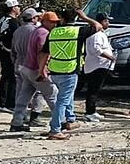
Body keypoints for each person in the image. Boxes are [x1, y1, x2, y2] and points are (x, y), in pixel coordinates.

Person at [40, 9, 102, 137]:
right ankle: (55, 129)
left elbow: (45, 53)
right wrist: (84, 17)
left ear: (62, 19)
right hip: (70, 70)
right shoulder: (78, 31)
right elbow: (98, 26)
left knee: (67, 96)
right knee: (62, 100)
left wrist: (42, 69)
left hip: (55, 70)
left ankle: (70, 120)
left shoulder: (53, 33)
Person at [9, 10, 59, 135]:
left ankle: (17, 122)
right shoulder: (43, 33)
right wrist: (43, 71)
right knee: (53, 96)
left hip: (25, 66)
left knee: (23, 97)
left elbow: (13, 49)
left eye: (56, 22)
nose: (55, 25)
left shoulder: (23, 30)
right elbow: (43, 53)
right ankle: (61, 122)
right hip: (36, 69)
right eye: (52, 22)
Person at [11, 7, 45, 127]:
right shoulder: (36, 31)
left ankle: (21, 116)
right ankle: (35, 117)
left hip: (19, 63)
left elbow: (13, 50)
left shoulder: (18, 31)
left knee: (21, 92)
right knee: (39, 91)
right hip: (32, 64)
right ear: (33, 18)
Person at [83, 12, 115, 122]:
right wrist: (110, 57)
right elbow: (96, 50)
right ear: (100, 22)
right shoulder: (96, 34)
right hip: (96, 66)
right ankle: (89, 112)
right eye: (106, 21)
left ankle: (93, 111)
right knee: (93, 90)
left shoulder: (101, 34)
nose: (108, 23)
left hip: (100, 66)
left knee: (95, 90)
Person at [0, 0, 21, 110]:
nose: (19, 8)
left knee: (5, 76)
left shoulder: (2, 19)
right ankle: (10, 103)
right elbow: (16, 38)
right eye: (18, 6)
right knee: (12, 77)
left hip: (1, 49)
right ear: (13, 8)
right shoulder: (13, 22)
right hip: (10, 51)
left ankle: (2, 101)